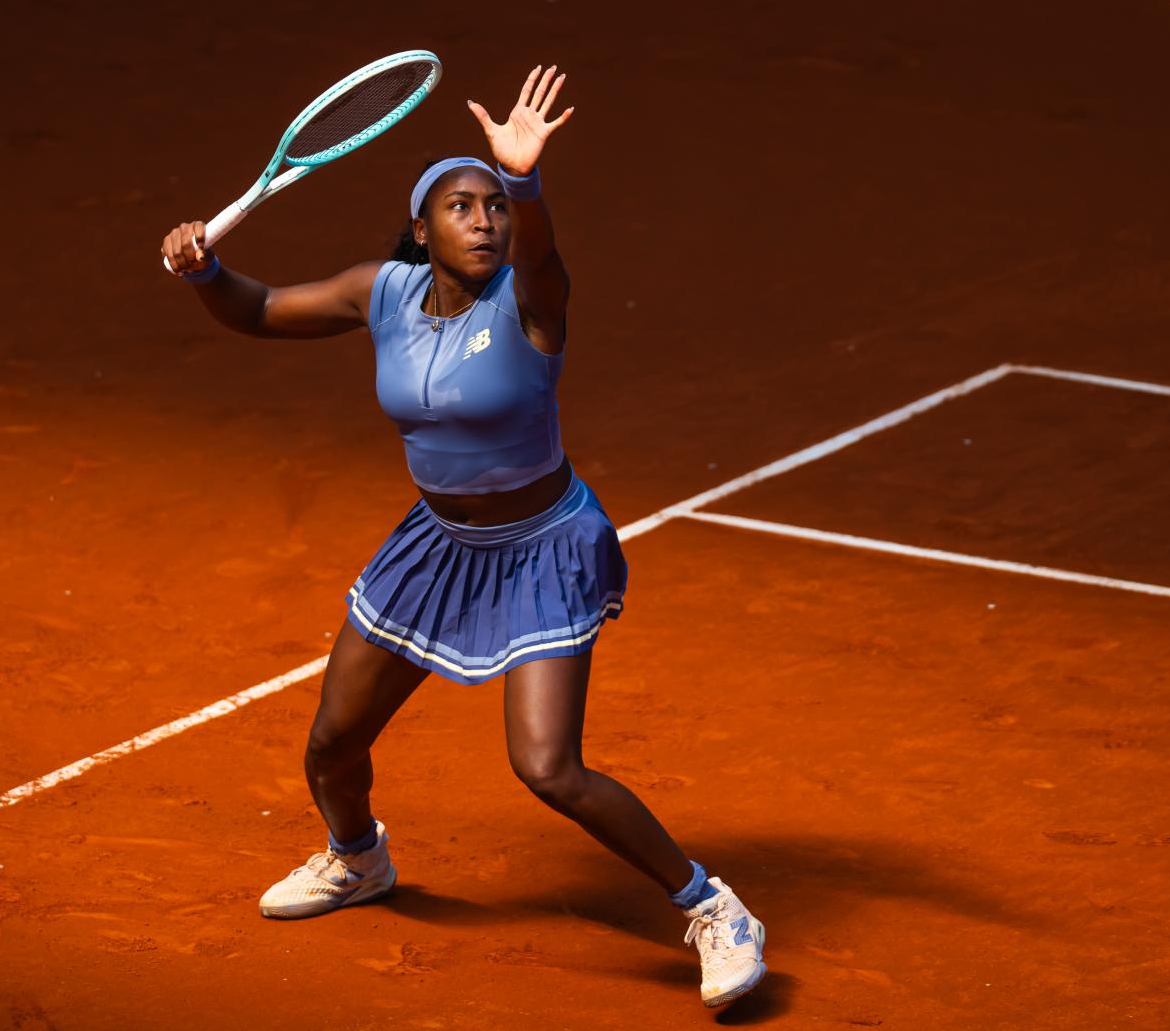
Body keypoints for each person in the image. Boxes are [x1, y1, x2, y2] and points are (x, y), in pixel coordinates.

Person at [158, 66, 765, 1009]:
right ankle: (358, 859)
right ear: (420, 230)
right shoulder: (383, 293)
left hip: (543, 547)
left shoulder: (530, 302)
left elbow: (544, 253)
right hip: (436, 545)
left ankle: (713, 907)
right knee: (332, 745)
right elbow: (263, 309)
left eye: (495, 209)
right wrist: (204, 271)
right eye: (462, 206)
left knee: (548, 768)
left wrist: (524, 177)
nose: (486, 222)